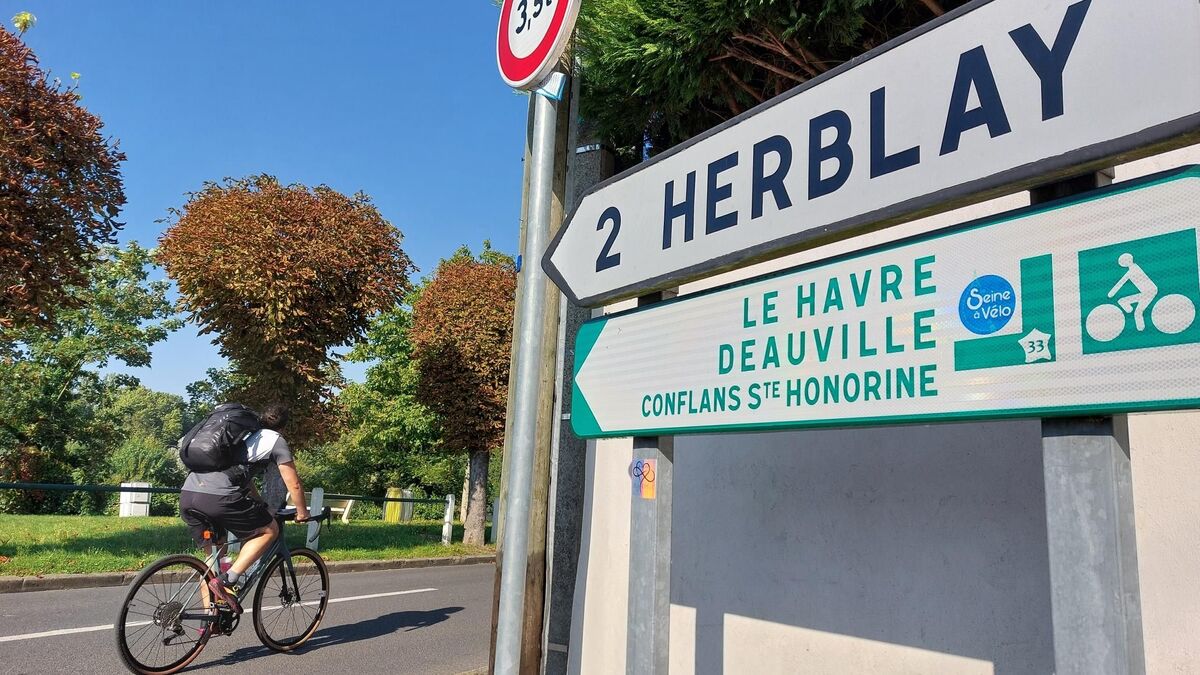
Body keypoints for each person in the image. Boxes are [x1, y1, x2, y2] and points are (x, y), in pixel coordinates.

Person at [179, 403, 308, 613]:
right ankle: (229, 579)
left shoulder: (236, 437)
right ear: (283, 427)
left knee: (212, 563)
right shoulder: (274, 440)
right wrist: (302, 512)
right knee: (270, 530)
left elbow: (243, 478)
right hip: (218, 497)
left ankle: (210, 621)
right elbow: (293, 483)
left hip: (189, 494)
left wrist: (260, 503)